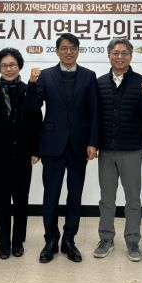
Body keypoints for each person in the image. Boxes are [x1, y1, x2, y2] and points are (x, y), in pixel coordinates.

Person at [27, 33, 99, 264]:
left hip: (79, 146)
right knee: (51, 195)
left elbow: (94, 112)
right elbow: (32, 107)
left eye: (73, 48)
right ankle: (50, 240)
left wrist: (93, 142)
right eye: (64, 48)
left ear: (78, 51)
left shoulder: (89, 76)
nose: (69, 52)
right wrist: (31, 83)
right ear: (57, 51)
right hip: (52, 145)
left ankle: (69, 240)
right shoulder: (46, 76)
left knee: (75, 196)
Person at [93, 38, 142, 262]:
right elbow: (94, 117)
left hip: (132, 149)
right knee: (106, 198)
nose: (120, 57)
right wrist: (93, 143)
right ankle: (106, 239)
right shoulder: (99, 83)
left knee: (133, 199)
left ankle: (132, 241)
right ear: (109, 55)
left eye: (124, 53)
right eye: (115, 53)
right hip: (106, 150)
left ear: (131, 56)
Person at [0, 48, 41, 259]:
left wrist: (35, 150)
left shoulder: (28, 89)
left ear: (19, 66)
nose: (8, 69)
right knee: (1, 201)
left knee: (21, 201)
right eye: (4, 65)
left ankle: (18, 242)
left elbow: (35, 117)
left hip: (23, 154)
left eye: (12, 65)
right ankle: (3, 243)